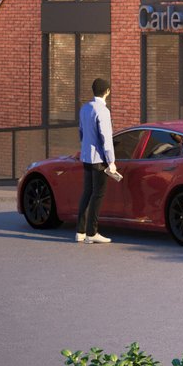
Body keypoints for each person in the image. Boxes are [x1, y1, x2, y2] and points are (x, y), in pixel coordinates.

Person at [76, 77, 118, 244]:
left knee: (87, 192)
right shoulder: (103, 111)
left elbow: (81, 132)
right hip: (99, 159)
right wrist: (112, 161)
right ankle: (92, 233)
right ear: (107, 91)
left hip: (86, 157)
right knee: (98, 194)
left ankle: (80, 231)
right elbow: (106, 139)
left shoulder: (85, 108)